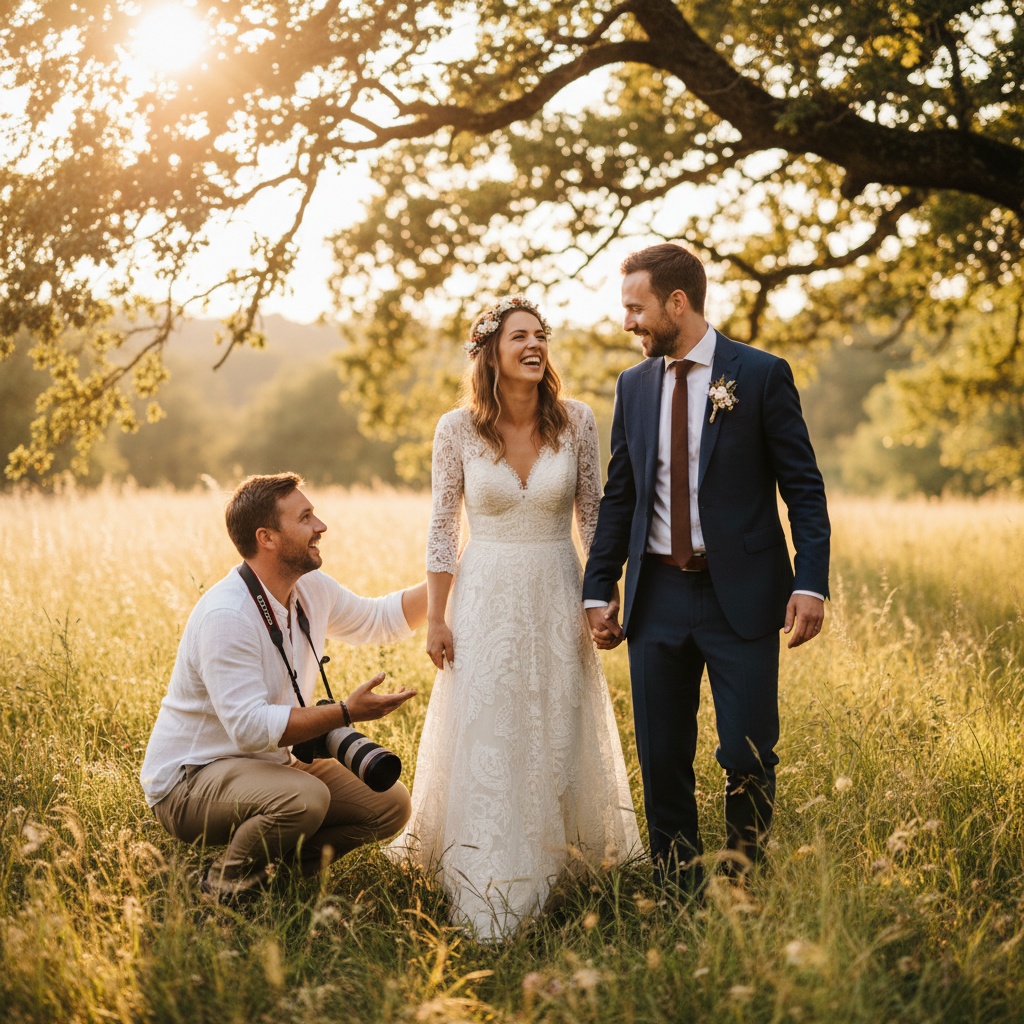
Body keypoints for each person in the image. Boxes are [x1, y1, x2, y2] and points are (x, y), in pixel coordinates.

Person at [390, 296, 641, 940]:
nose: (534, 345)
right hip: (485, 596)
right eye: (518, 336)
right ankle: (489, 878)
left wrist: (602, 597)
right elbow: (442, 529)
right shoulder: (457, 429)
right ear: (490, 352)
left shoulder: (577, 420)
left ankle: (567, 866)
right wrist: (437, 618)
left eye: (541, 335)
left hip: (558, 589)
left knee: (557, 723)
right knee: (494, 729)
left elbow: (593, 518)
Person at [582, 243, 830, 893]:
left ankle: (741, 883)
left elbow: (803, 489)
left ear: (677, 303)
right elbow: (620, 495)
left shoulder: (761, 374)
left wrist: (810, 581)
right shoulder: (633, 385)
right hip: (656, 596)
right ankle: (676, 890)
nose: (627, 323)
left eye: (636, 309)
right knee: (662, 755)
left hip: (741, 597)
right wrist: (597, 587)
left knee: (747, 751)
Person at [140, 472, 427, 901]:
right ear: (267, 538)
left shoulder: (309, 588)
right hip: (190, 780)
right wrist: (345, 713)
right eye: (305, 517)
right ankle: (221, 886)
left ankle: (273, 879)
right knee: (304, 798)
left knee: (390, 804)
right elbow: (249, 729)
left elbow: (380, 619)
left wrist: (452, 577)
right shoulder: (227, 615)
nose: (321, 526)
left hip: (271, 764)